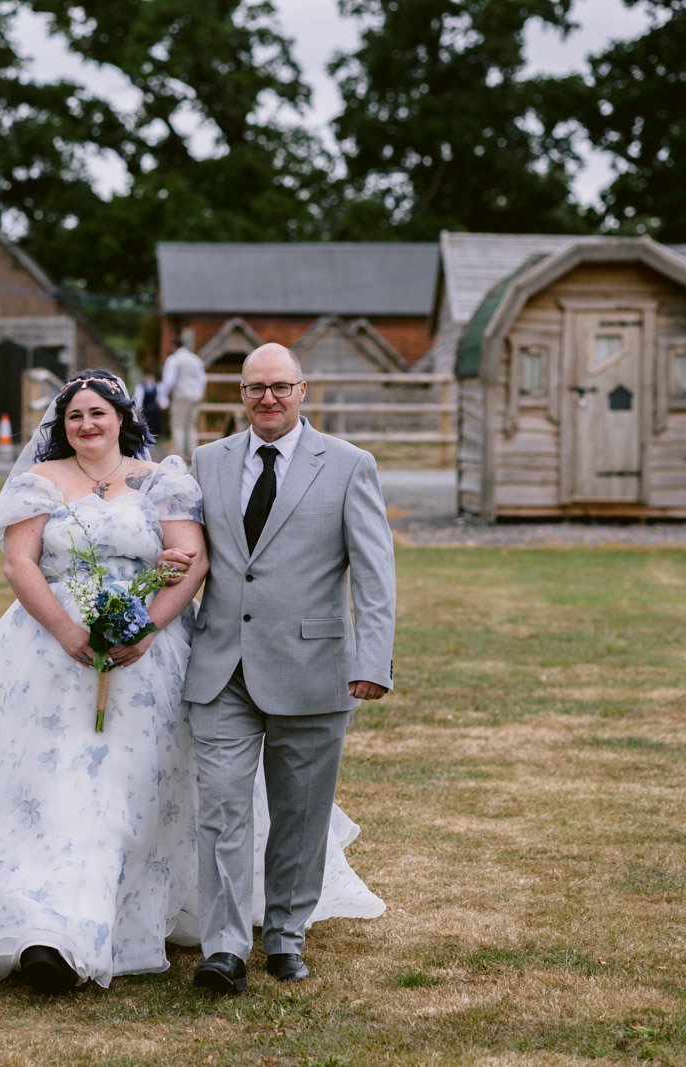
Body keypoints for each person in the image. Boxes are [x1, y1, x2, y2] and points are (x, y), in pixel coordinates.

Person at [0, 368, 385, 994]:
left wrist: (148, 627)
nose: (86, 425)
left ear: (122, 419)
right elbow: (20, 564)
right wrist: (68, 633)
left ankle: (157, 916)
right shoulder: (39, 483)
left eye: (98, 413)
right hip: (48, 658)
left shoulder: (161, 481)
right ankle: (46, 929)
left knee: (136, 790)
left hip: (149, 662)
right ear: (61, 425)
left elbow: (193, 558)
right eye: (74, 416)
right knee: (51, 786)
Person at [180, 342, 396, 993]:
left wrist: (373, 658)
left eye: (280, 386)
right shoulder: (207, 462)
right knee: (220, 806)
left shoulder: (350, 465)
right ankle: (222, 947)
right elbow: (193, 552)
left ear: (304, 390)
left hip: (315, 664)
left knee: (301, 813)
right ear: (239, 395)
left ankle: (285, 933)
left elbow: (375, 570)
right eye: (254, 388)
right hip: (222, 667)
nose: (267, 398)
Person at [160, 340, 206, 461]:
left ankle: (179, 456)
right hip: (195, 395)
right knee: (191, 425)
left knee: (178, 425)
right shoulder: (195, 359)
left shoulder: (174, 359)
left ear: (173, 346)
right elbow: (203, 379)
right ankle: (193, 454)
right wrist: (200, 393)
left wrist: (163, 397)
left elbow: (169, 380)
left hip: (181, 395)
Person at [139, 370, 168, 444]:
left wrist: (163, 406)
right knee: (147, 426)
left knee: (157, 426)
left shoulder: (158, 387)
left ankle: (157, 441)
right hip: (146, 412)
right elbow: (139, 400)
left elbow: (162, 400)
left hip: (156, 412)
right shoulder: (141, 388)